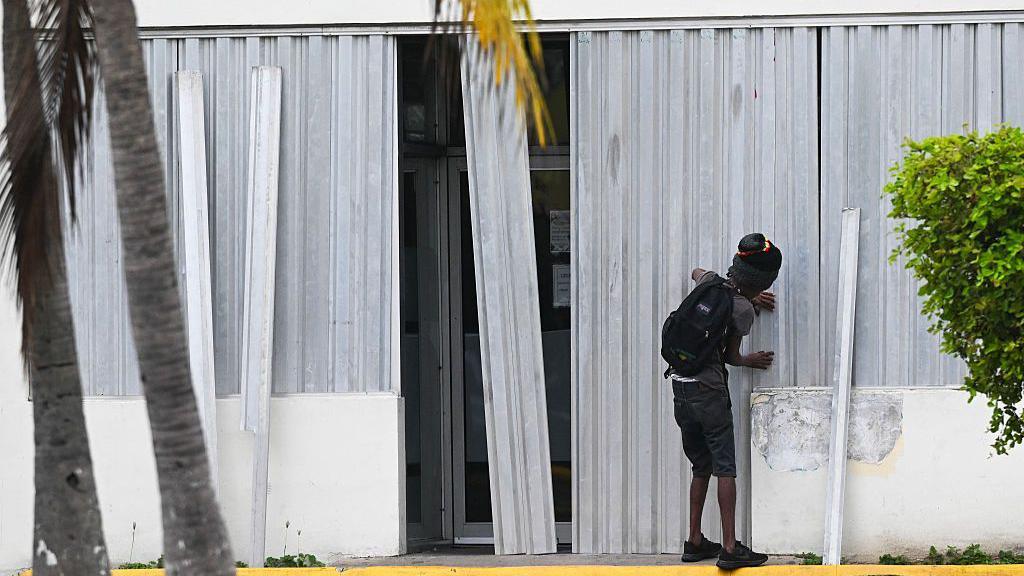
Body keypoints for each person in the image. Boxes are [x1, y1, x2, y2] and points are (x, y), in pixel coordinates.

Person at [673, 233, 782, 570]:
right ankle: (730, 548)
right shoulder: (743, 310)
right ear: (762, 282)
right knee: (725, 467)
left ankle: (694, 540)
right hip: (709, 390)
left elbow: (695, 270)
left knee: (700, 465)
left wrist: (741, 289)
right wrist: (752, 359)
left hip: (680, 385)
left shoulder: (710, 282)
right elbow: (732, 357)